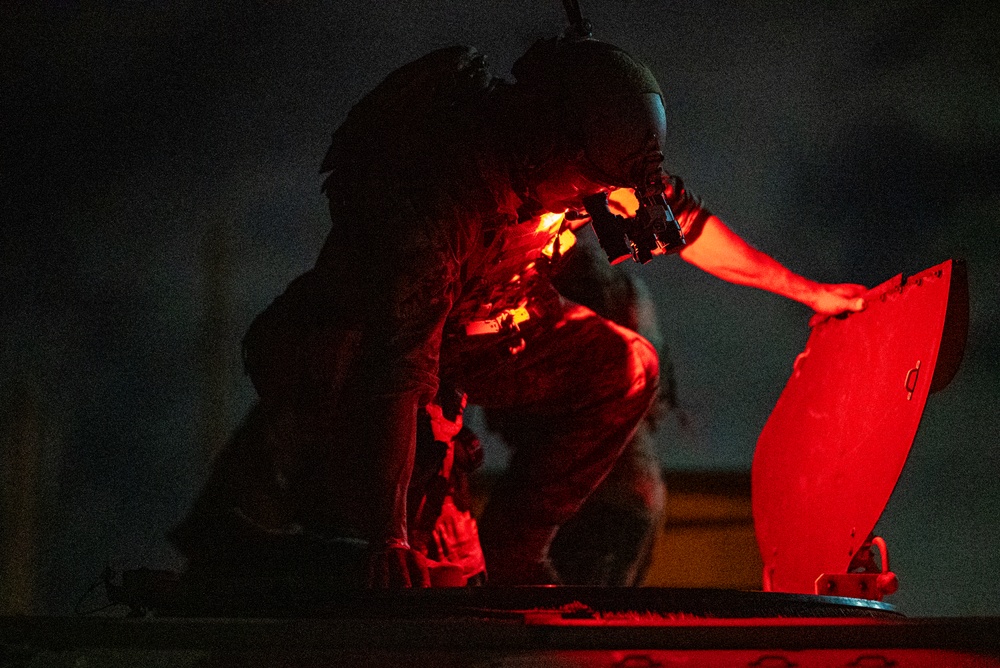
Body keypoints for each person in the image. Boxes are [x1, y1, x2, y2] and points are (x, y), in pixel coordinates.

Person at [170, 36, 867, 589]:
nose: (609, 200)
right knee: (429, 557)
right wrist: (391, 535)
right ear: (552, 147)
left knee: (628, 367)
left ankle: (517, 554)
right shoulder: (443, 201)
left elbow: (685, 227)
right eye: (598, 183)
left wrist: (807, 292)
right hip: (374, 353)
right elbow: (399, 368)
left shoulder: (594, 157)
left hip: (490, 327)